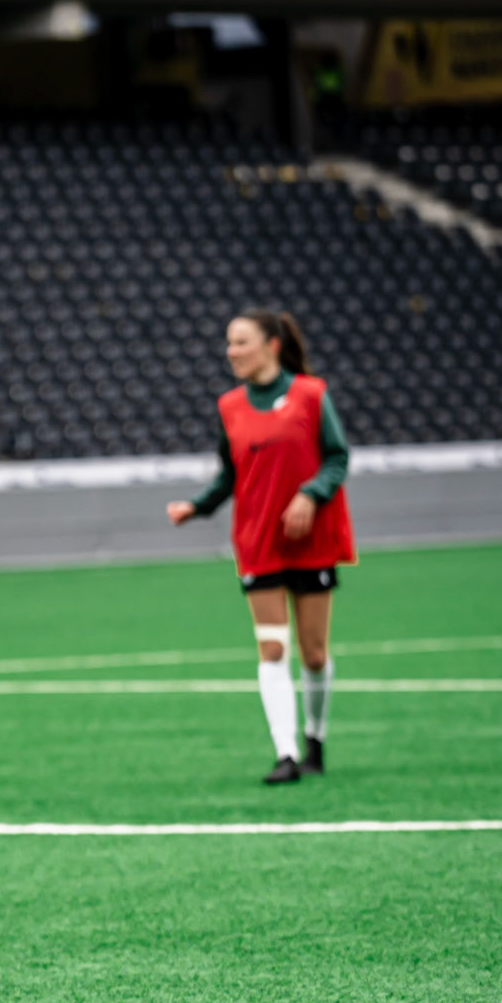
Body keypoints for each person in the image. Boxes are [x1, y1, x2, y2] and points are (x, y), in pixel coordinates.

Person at [167, 309, 354, 784]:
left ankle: (315, 739)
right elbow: (230, 475)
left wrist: (311, 494)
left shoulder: (312, 395)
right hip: (258, 542)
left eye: (241, 342)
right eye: (229, 343)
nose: (232, 352)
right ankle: (285, 754)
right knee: (272, 650)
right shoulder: (230, 405)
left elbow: (337, 458)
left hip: (311, 541)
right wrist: (197, 506)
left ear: (271, 345)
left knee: (313, 654)